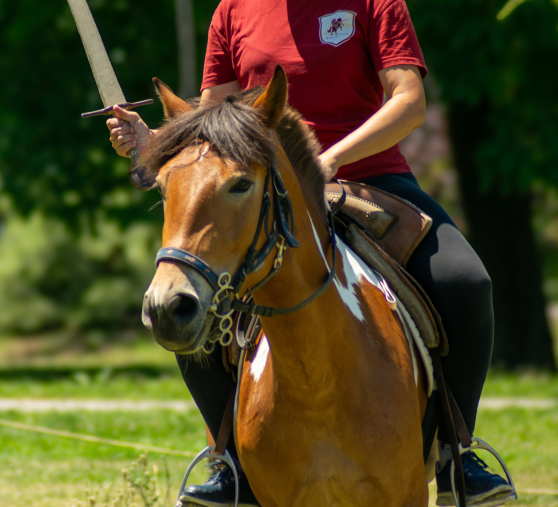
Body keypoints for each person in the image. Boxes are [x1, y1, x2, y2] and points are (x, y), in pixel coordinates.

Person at [106, 1, 515, 506]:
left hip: (371, 175)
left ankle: (458, 453)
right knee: (195, 296)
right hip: (265, 187)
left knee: (464, 281)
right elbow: (212, 124)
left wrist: (331, 159)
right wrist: (151, 143)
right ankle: (229, 462)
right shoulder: (233, 10)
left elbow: (409, 102)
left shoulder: (375, 3)